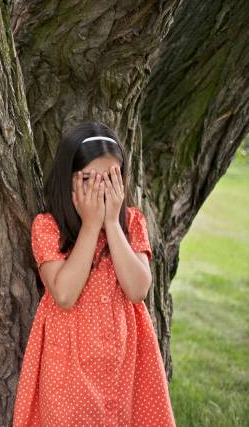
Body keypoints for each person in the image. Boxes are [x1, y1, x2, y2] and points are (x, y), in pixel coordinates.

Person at [12, 122, 175, 426]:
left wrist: (112, 224)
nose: (101, 189)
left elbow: (138, 289)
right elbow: (64, 294)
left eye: (110, 178)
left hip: (124, 360)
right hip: (69, 363)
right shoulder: (48, 227)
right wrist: (90, 226)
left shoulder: (131, 223)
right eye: (88, 178)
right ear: (67, 180)